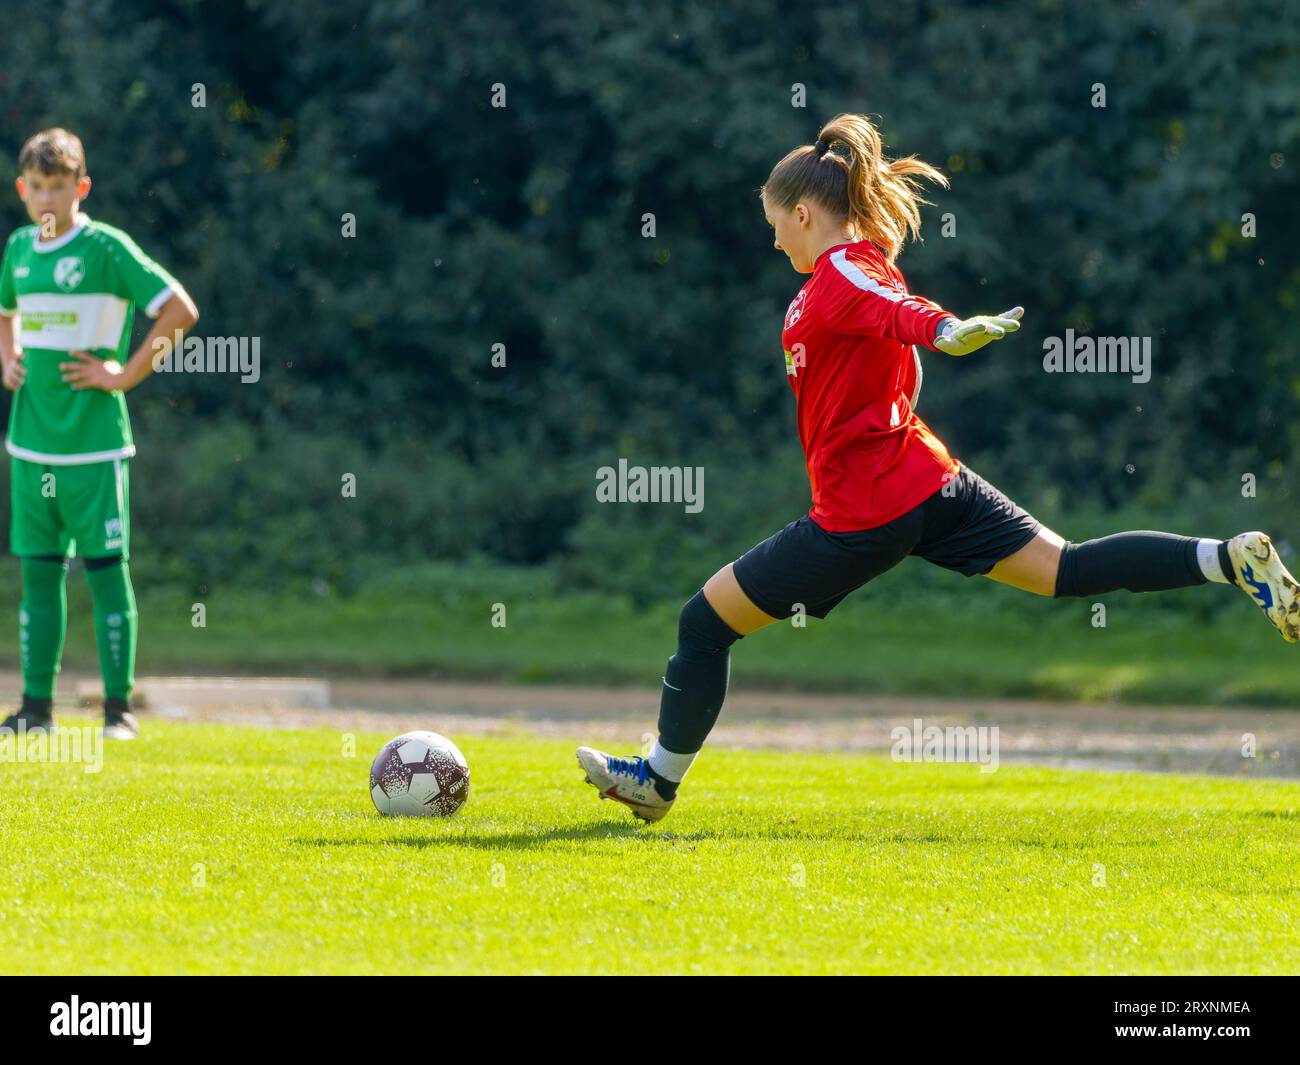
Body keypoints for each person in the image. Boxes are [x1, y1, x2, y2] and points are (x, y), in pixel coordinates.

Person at [577, 112, 1298, 823]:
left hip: (862, 511)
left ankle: (658, 783)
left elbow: (898, 311)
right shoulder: (863, 261)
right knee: (1066, 568)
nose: (772, 238)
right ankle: (1228, 559)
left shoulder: (839, 274)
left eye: (775, 223)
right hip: (930, 481)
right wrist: (912, 363)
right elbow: (893, 343)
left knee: (702, 621)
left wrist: (947, 328)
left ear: (802, 212)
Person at [0, 128, 200, 739]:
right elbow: (6, 312)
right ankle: (35, 712)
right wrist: (6, 356)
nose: (48, 201)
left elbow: (180, 312)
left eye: (59, 188)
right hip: (31, 446)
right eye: (37, 188)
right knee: (38, 574)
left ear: (80, 188)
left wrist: (124, 375)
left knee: (108, 571)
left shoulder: (107, 249)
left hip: (95, 448)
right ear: (22, 189)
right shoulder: (17, 249)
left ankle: (119, 712)